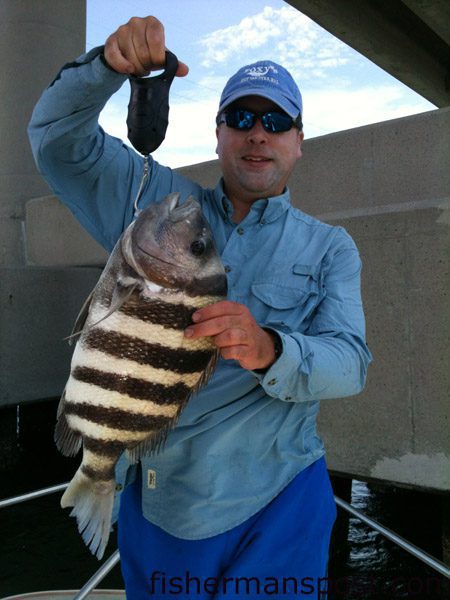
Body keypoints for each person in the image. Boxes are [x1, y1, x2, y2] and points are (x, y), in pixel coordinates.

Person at [28, 15, 371, 600]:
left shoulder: (330, 247)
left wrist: (272, 349)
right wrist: (106, 69)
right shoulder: (160, 209)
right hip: (162, 503)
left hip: (281, 501)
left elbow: (351, 362)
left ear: (298, 141)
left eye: (276, 121)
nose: (257, 134)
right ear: (218, 134)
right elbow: (58, 146)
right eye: (240, 118)